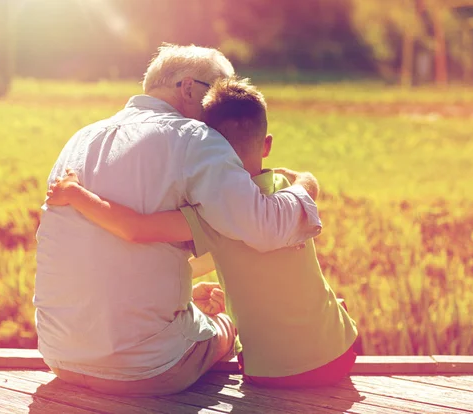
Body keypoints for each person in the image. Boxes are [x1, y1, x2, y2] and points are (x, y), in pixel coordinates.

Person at [35, 44, 322, 397]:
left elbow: (115, 247)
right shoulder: (197, 138)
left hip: (58, 354)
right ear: (188, 88)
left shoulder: (81, 138)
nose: (222, 109)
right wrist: (306, 185)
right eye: (216, 93)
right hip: (147, 369)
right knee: (231, 324)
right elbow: (263, 228)